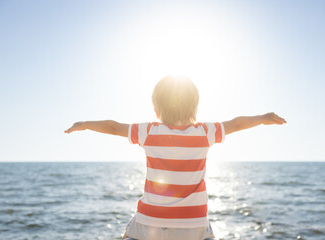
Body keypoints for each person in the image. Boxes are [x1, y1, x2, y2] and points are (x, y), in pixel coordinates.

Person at [64, 75, 287, 240]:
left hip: (150, 221)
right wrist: (262, 117)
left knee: (128, 235)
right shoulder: (205, 132)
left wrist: (84, 125)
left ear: (156, 107)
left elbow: (113, 127)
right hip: (193, 223)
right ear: (195, 105)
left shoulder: (148, 132)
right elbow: (237, 123)